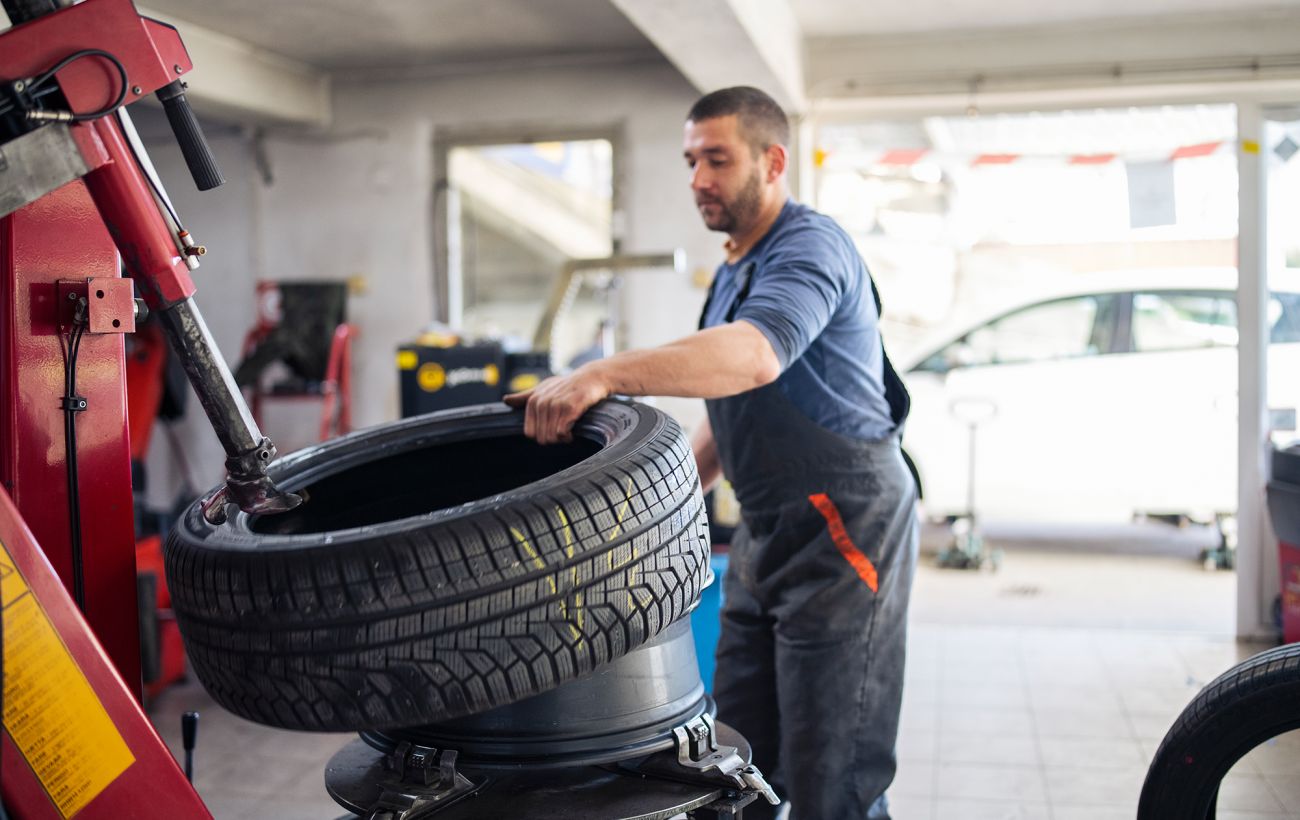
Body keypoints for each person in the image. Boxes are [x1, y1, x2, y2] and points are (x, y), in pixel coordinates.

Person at [505, 86, 918, 820]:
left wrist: (603, 371)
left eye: (718, 159)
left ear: (773, 161)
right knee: (736, 754)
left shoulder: (809, 246)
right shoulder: (734, 269)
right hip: (768, 529)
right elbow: (737, 414)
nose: (698, 178)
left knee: (834, 766)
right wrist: (655, 508)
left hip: (843, 527)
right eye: (692, 160)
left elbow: (756, 357)